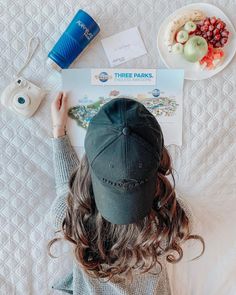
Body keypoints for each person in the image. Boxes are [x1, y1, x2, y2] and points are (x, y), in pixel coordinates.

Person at [48, 92, 205, 295]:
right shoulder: (173, 220)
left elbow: (65, 190)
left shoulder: (68, 215)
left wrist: (58, 131)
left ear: (87, 170)